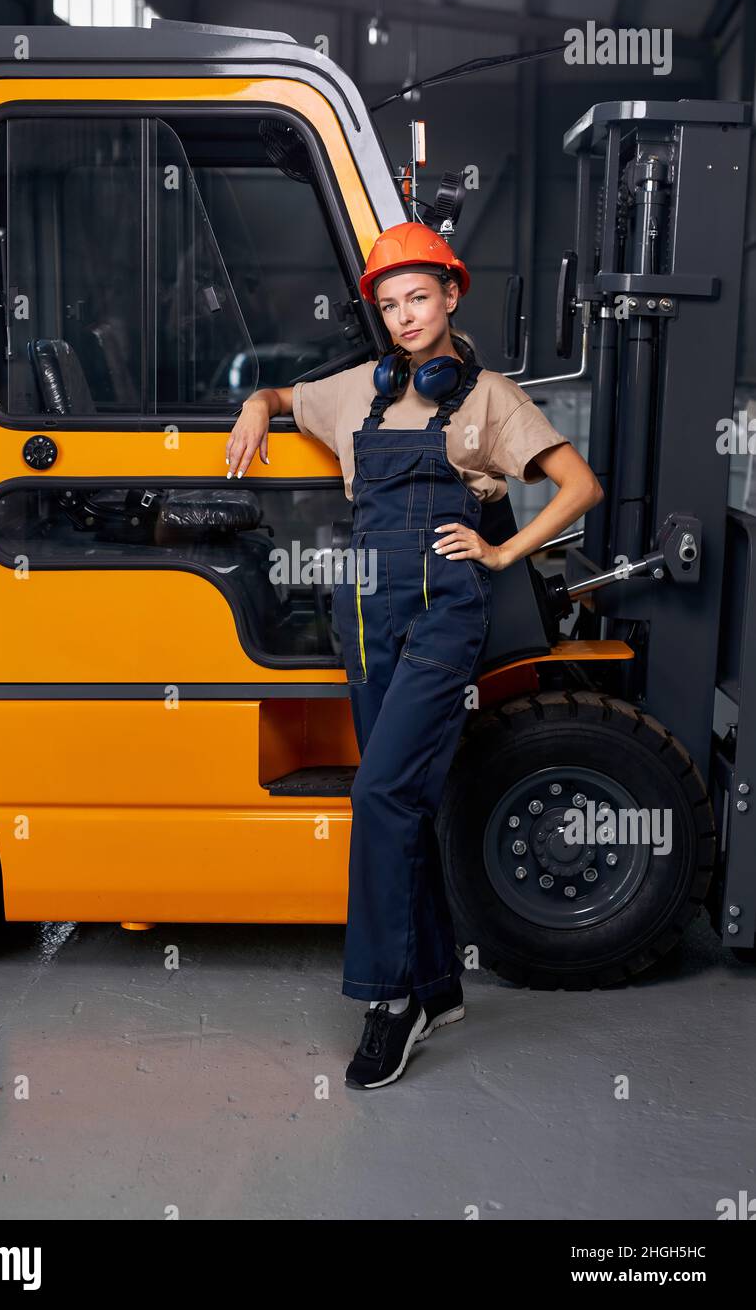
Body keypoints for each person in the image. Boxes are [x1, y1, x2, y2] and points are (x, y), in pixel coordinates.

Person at [225, 222, 603, 1089]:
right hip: (363, 610)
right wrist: (258, 403)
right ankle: (436, 982)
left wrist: (503, 554)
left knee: (382, 792)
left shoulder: (489, 400)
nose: (403, 315)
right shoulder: (358, 388)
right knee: (407, 802)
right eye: (389, 303)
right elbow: (286, 398)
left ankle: (389, 1002)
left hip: (441, 609)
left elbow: (579, 485)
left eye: (418, 298)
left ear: (451, 296)